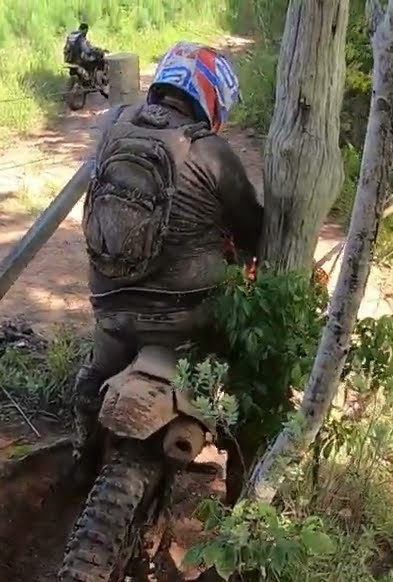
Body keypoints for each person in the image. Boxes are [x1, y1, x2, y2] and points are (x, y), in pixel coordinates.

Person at [72, 42, 263, 478]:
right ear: (214, 98)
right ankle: (242, 489)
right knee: (246, 389)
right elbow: (253, 230)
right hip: (189, 317)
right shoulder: (212, 152)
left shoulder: (113, 124)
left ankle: (82, 455)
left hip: (111, 306)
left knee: (94, 377)